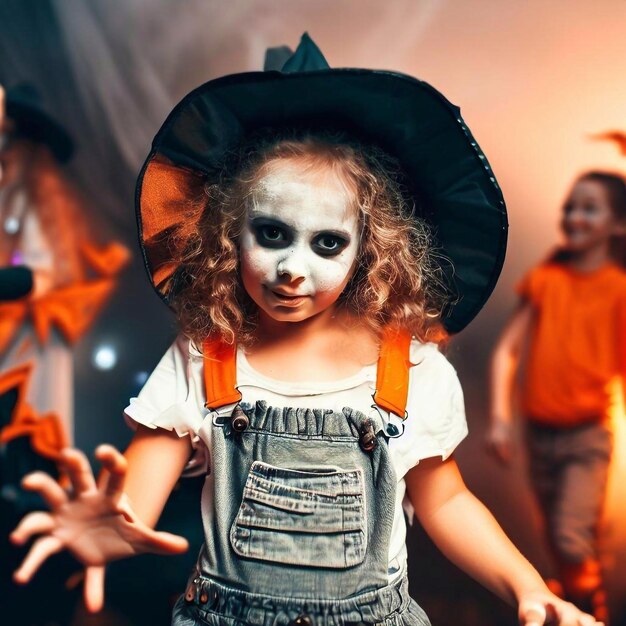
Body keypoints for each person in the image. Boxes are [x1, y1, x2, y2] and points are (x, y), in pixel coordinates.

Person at [10, 35, 601, 626]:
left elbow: (444, 500)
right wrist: (109, 529)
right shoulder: (204, 355)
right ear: (227, 231)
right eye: (271, 234)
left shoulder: (410, 367)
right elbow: (136, 500)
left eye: (327, 243)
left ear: (369, 251)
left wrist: (528, 587)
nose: (293, 268)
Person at [487, 171, 626, 622]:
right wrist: (500, 418)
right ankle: (577, 590)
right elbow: (508, 350)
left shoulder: (618, 290)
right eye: (570, 207)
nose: (574, 217)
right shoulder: (545, 279)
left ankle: (588, 611)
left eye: (589, 208)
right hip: (538, 435)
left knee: (570, 537)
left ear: (617, 225)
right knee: (557, 537)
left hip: (588, 437)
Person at [0, 83, 130, 445]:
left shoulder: (41, 204)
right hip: (12, 334)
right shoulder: (8, 198)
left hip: (32, 339)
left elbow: (42, 276)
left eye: (8, 138)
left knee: (31, 434)